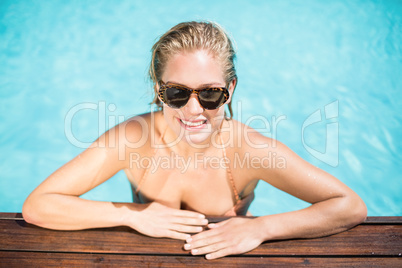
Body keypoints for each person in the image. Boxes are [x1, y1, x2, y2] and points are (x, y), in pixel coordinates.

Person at [23, 21, 367, 260]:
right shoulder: (131, 140)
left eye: (210, 94)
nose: (192, 110)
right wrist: (133, 215)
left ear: (230, 91)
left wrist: (262, 228)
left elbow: (349, 206)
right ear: (158, 90)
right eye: (176, 92)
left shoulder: (249, 151)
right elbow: (38, 206)